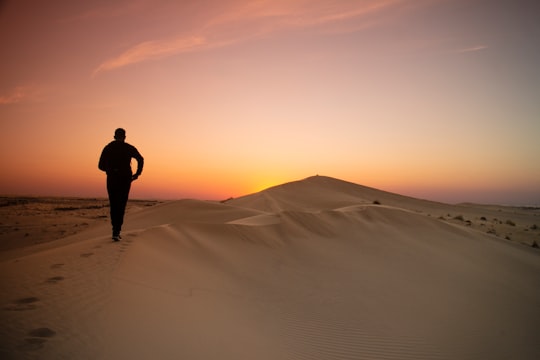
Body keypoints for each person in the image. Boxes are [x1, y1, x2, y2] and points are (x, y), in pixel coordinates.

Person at [98, 128, 144, 241]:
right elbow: (140, 159)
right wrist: (137, 174)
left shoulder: (108, 148)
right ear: (124, 137)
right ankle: (117, 230)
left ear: (114, 136)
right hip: (125, 179)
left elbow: (100, 166)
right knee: (121, 204)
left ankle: (115, 230)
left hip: (112, 179)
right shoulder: (128, 148)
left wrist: (111, 170)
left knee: (114, 204)